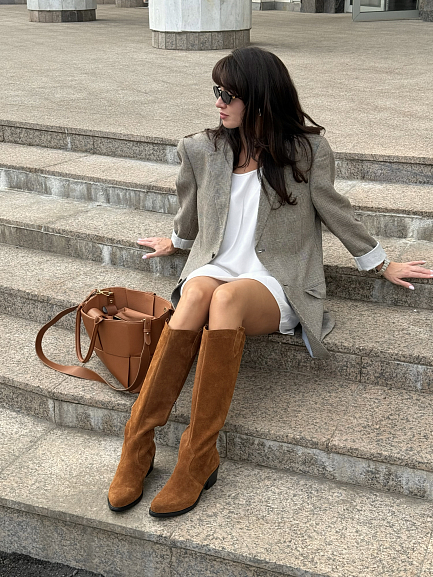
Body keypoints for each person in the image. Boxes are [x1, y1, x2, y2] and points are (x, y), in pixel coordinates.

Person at [107, 47, 432, 518]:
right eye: (217, 91)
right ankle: (137, 441)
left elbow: (334, 209)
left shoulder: (306, 151)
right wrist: (176, 241)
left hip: (276, 276)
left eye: (229, 95)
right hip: (218, 262)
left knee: (227, 301)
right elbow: (191, 208)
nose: (218, 103)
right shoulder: (201, 148)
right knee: (196, 292)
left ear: (259, 98)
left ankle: (198, 455)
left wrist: (380, 264)